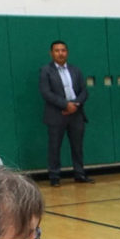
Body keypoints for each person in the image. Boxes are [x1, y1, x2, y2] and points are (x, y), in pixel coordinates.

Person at [39, 40, 92, 187]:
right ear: (51, 53)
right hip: (56, 114)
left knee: (77, 146)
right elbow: (46, 92)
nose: (60, 53)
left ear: (67, 52)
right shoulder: (45, 71)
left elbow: (84, 91)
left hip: (76, 114)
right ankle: (55, 176)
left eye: (63, 50)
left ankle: (79, 173)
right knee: (55, 146)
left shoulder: (76, 70)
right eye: (57, 51)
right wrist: (65, 104)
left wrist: (75, 104)